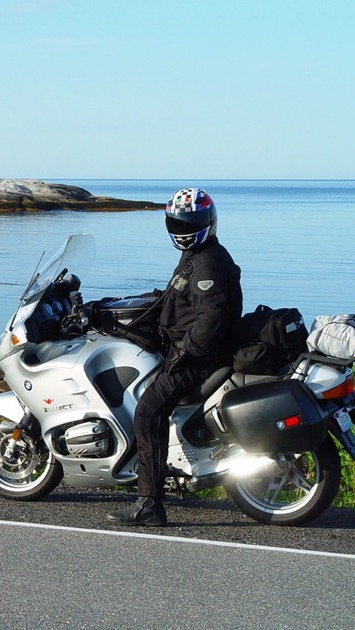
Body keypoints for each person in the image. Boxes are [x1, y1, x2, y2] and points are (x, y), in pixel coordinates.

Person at [106, 188, 243, 526]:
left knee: (148, 411)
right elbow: (175, 296)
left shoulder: (207, 261)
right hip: (191, 350)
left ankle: (149, 504)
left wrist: (183, 352)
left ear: (208, 222)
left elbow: (212, 318)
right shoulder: (198, 254)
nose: (183, 228)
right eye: (177, 221)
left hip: (199, 358)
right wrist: (113, 307)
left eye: (191, 221)